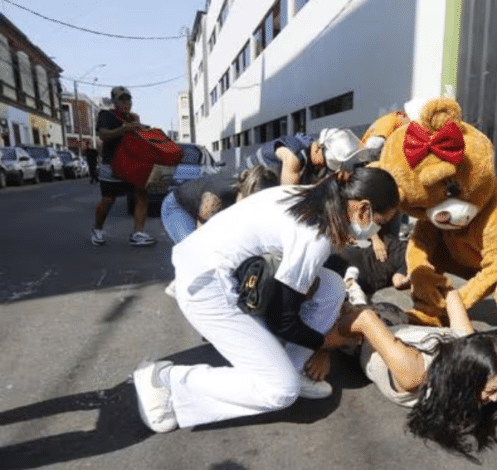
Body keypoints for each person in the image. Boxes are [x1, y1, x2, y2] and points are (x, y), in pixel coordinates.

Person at [132, 166, 401, 433]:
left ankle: (292, 366)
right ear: (363, 209)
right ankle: (166, 381)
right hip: (207, 288)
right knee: (281, 391)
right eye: (382, 220)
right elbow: (282, 320)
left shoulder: (315, 197)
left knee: (332, 286)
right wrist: (327, 342)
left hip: (221, 269)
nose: (379, 228)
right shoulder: (313, 236)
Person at [339, 288, 497, 458]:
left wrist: (435, 284)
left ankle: (353, 289)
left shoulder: (465, 346)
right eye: (490, 391)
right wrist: (320, 348)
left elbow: (451, 294)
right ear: (464, 380)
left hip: (397, 318)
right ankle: (350, 285)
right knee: (343, 308)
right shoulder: (414, 374)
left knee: (356, 302)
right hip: (361, 336)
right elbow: (365, 319)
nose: (495, 398)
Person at [91, 86, 155, 247]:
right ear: (114, 101)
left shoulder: (134, 117)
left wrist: (142, 130)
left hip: (132, 165)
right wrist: (123, 129)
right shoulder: (106, 115)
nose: (126, 103)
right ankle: (97, 229)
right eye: (121, 99)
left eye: (128, 99)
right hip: (112, 165)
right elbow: (103, 135)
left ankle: (138, 234)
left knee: (141, 195)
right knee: (108, 199)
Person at [160, 165, 279, 244]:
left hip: (205, 208)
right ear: (245, 192)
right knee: (195, 249)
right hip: (177, 207)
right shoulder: (216, 197)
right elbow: (202, 234)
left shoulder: (250, 198)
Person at [252, 128, 375, 185]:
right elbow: (288, 198)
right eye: (326, 163)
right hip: (245, 184)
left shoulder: (318, 162)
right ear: (317, 148)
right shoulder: (294, 155)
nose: (326, 168)